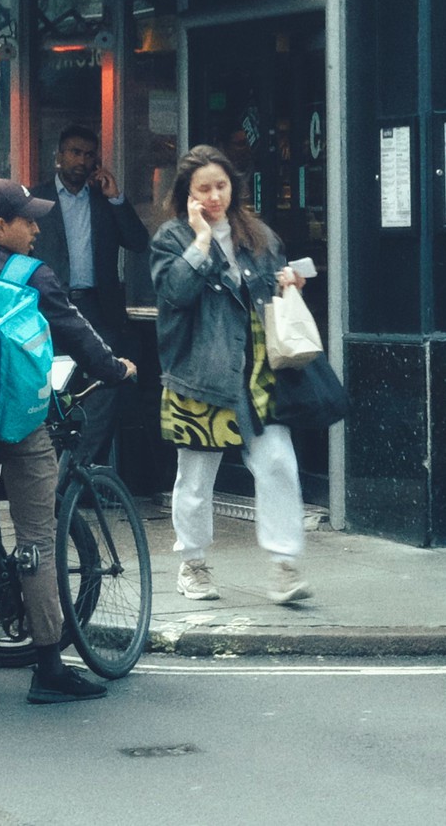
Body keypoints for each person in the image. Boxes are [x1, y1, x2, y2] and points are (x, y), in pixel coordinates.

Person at [0, 178, 137, 704]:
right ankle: (48, 666)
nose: (35, 228)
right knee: (37, 535)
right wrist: (115, 369)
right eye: (26, 220)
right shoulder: (33, 276)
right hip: (18, 418)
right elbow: (76, 332)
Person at [151, 144, 311, 607]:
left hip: (255, 372)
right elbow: (175, 293)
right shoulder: (171, 238)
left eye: (221, 186)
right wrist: (201, 241)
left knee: (278, 462)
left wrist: (289, 283)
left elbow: (269, 294)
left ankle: (284, 565)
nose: (214, 196)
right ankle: (193, 564)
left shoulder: (257, 234)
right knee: (196, 477)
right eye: (203, 188)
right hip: (199, 374)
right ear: (187, 193)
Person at [33, 125, 150, 351]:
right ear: (59, 156)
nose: (82, 161)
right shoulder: (37, 199)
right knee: (58, 370)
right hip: (53, 307)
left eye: (88, 155)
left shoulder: (104, 201)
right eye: (75, 152)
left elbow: (138, 242)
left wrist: (116, 198)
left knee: (105, 371)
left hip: (100, 308)